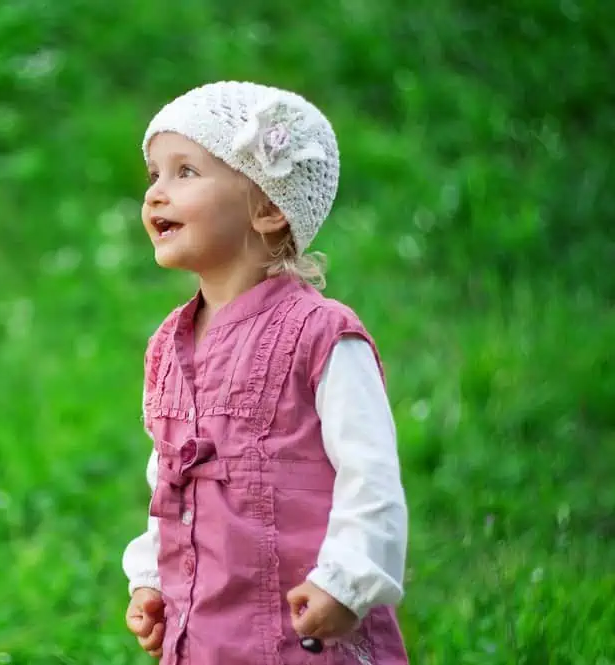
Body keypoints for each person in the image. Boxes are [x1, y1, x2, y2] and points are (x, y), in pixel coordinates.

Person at [121, 81, 411, 664]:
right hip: (204, 633)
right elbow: (169, 482)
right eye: (155, 174)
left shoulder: (322, 335)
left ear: (268, 207)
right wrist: (153, 576)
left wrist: (346, 583)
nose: (156, 194)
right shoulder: (167, 347)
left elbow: (371, 476)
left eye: (185, 172)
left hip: (302, 632)